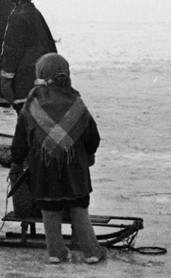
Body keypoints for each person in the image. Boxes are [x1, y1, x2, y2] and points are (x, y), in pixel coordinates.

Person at [8, 53, 106, 265]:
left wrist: (16, 161)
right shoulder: (76, 103)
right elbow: (93, 137)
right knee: (78, 209)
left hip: (43, 171)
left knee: (49, 210)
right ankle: (91, 252)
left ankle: (56, 252)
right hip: (75, 172)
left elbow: (20, 142)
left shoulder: (31, 105)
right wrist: (88, 155)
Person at [0, 0, 57, 113]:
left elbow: (12, 50)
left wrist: (6, 80)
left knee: (26, 124)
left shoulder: (18, 16)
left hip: (24, 82)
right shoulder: (35, 13)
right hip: (41, 80)